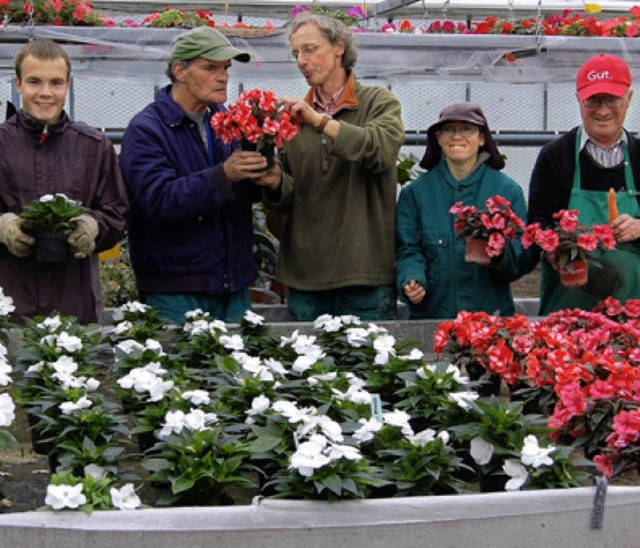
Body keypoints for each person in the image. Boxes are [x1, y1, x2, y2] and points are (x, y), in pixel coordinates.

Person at [120, 27, 276, 324]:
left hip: (233, 286)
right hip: (177, 291)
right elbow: (159, 201)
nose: (223, 77)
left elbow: (240, 196)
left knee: (237, 370)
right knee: (179, 370)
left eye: (226, 69)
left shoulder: (227, 121)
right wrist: (224, 175)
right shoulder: (147, 129)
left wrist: (266, 181)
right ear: (179, 70)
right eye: (210, 68)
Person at [261, 12, 405, 322]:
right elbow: (286, 199)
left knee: (371, 369)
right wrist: (273, 180)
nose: (301, 60)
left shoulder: (377, 102)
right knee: (308, 370)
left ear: (339, 47)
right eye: (296, 53)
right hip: (306, 277)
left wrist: (319, 122)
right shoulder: (290, 119)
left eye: (310, 49)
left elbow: (380, 149)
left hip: (365, 275)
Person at [0, 39, 128, 324]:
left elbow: (117, 212)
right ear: (18, 84)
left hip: (75, 303)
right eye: (35, 82)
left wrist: (93, 226)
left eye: (56, 83)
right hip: (11, 305)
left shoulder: (94, 147)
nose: (46, 93)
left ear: (68, 85)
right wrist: (3, 226)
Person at [395, 102, 535, 319]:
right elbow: (407, 249)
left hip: (491, 316)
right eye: (448, 130)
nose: (456, 136)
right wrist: (412, 279)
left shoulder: (506, 190)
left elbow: (523, 253)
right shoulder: (416, 193)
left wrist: (500, 254)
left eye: (466, 129)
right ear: (438, 139)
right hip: (434, 315)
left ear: (481, 138)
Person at [528, 53, 640, 314]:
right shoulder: (555, 156)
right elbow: (537, 222)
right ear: (579, 99)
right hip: (570, 307)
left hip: (633, 311)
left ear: (629, 99)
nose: (602, 111)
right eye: (593, 100)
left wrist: (638, 227)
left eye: (611, 100)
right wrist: (556, 248)